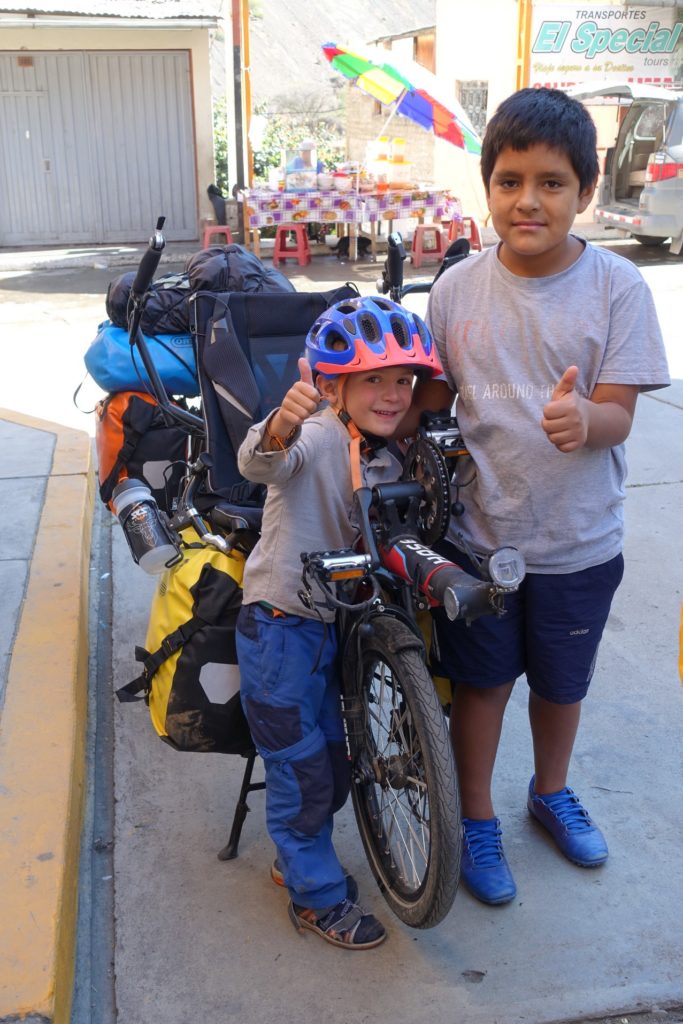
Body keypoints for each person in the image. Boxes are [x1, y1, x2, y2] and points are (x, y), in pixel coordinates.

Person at [404, 87, 670, 906]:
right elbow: (432, 404)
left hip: (579, 540)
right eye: (509, 181)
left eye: (551, 183)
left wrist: (583, 419)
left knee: (561, 685)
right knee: (481, 686)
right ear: (487, 187)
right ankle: (475, 817)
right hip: (478, 539)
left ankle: (549, 792)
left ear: (583, 192)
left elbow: (618, 414)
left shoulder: (617, 287)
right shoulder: (454, 290)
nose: (527, 200)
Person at [234, 295, 442, 947]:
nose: (392, 394)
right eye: (372, 379)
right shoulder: (318, 435)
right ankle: (315, 897)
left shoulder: (386, 452)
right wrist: (280, 424)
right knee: (300, 767)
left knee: (332, 757)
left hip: (334, 626)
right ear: (332, 387)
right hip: (281, 626)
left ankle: (296, 857)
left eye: (402, 380)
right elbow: (262, 463)